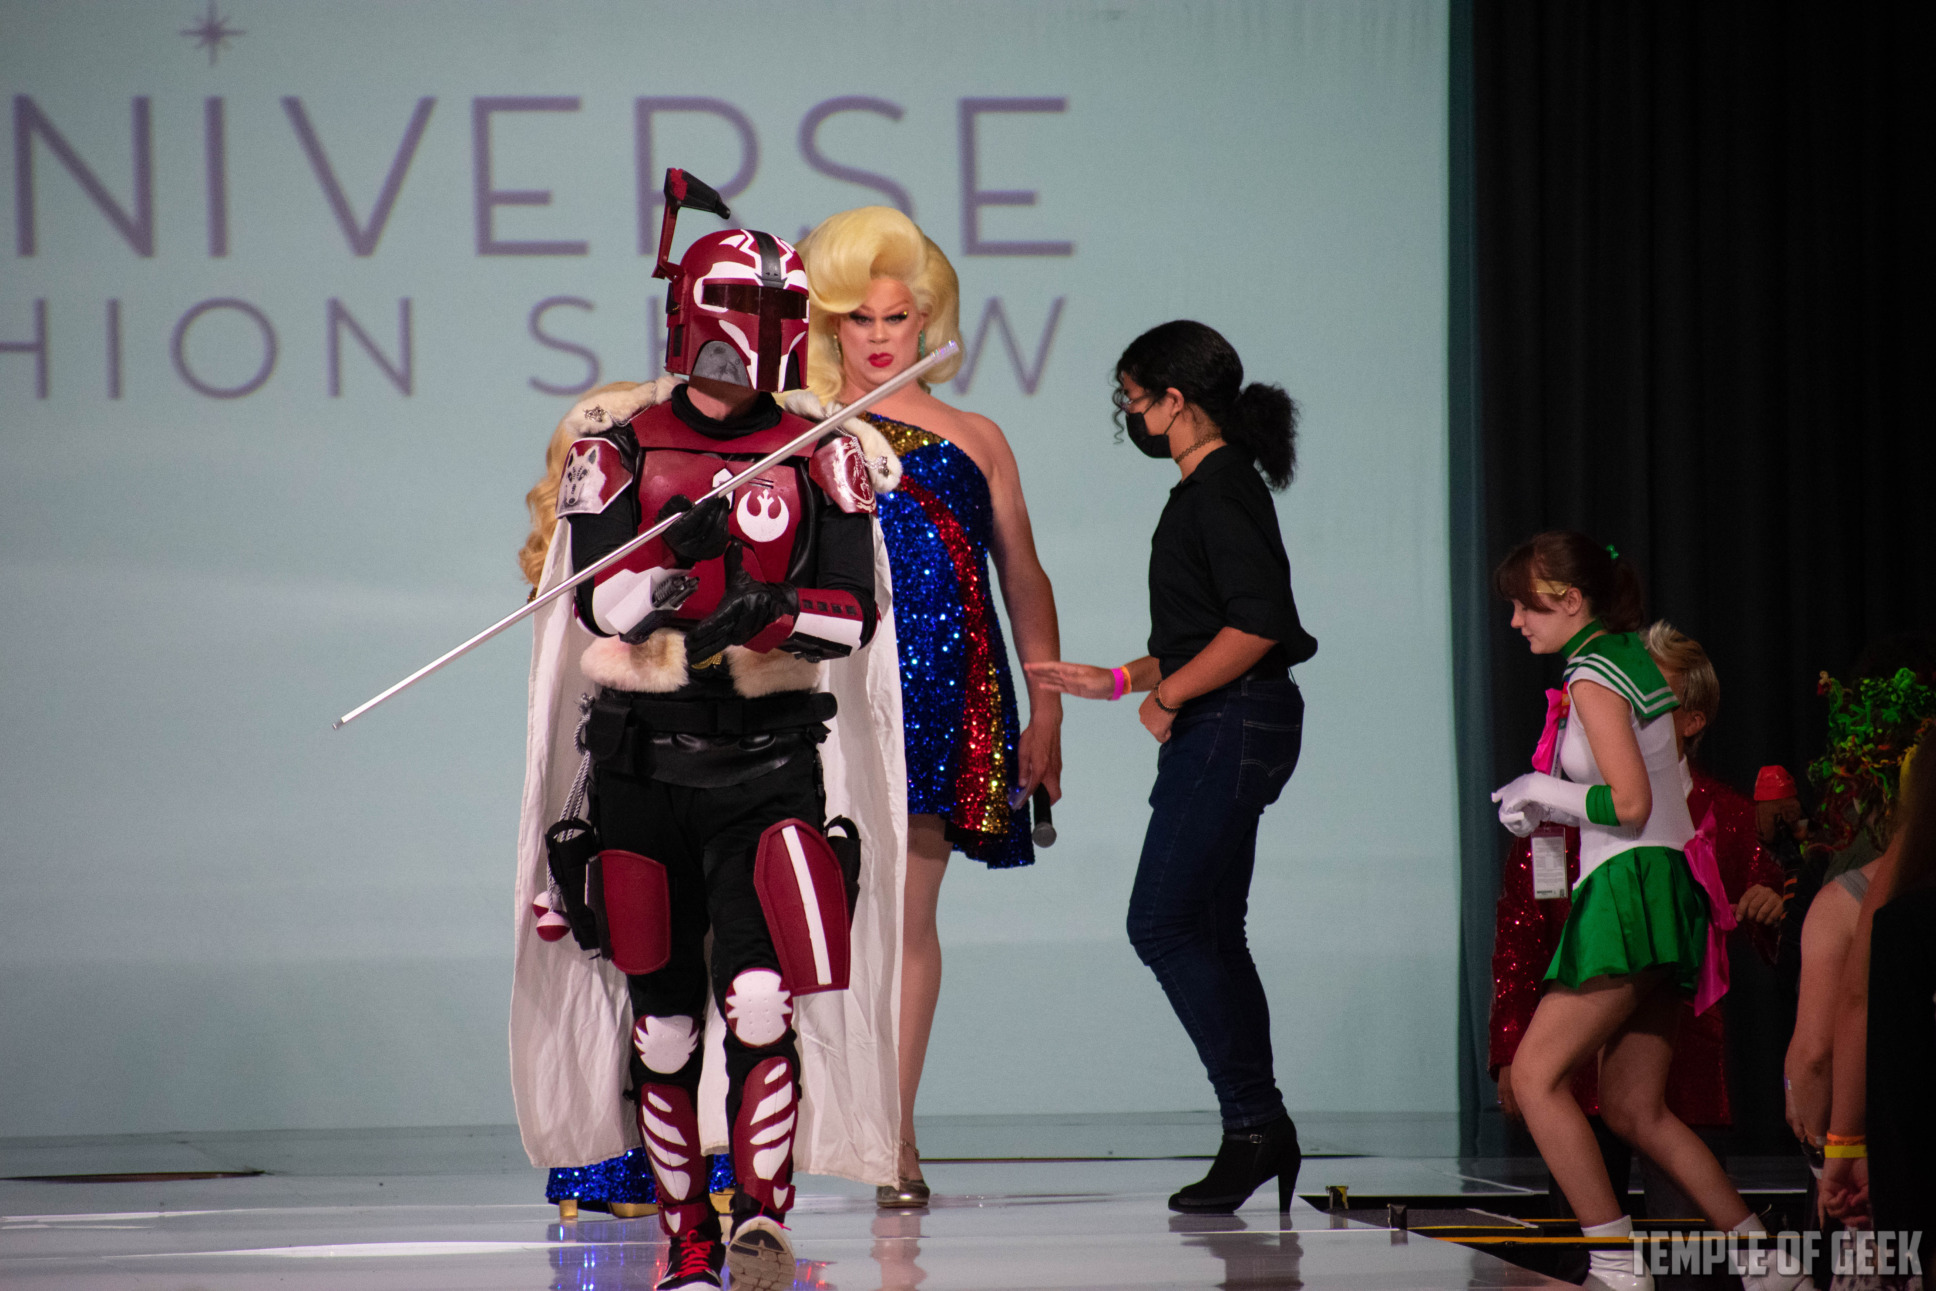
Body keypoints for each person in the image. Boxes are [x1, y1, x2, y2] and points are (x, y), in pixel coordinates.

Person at [509, 178, 907, 1291]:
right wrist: (667, 578)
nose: (757, 336)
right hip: (642, 763)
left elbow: (851, 612)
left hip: (767, 763)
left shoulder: (822, 448)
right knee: (665, 1027)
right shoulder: (621, 446)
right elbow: (596, 604)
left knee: (763, 1000)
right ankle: (684, 1234)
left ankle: (759, 1221)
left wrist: (764, 612)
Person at [795, 206, 1064, 1206]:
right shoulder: (793, 427)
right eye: (857, 317)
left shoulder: (977, 437)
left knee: (909, 917)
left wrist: (1048, 709)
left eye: (896, 317)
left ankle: (893, 1138)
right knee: (793, 914)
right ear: (828, 321)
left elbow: (1023, 576)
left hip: (942, 696)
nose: (877, 336)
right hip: (815, 695)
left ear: (928, 320)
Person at [1028, 320, 1316, 1214]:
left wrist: (1170, 697)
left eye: (1132, 398)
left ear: (1174, 400)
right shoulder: (1212, 487)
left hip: (1232, 722)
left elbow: (1258, 624)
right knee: (1212, 929)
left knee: (1161, 922)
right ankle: (1257, 1128)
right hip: (1237, 718)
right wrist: (1121, 679)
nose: (1129, 415)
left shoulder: (1219, 489)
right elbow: (1208, 629)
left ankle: (1255, 1122)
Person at [1489, 533, 1799, 1291]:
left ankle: (1615, 1262)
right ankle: (1765, 1260)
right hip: (1664, 887)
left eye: (1526, 607)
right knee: (1635, 1108)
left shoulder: (1593, 675)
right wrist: (1552, 805)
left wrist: (1539, 789)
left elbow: (1627, 805)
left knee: (1535, 1078)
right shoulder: (1626, 658)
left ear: (1570, 600)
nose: (1516, 622)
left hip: (1628, 890)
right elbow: (1650, 793)